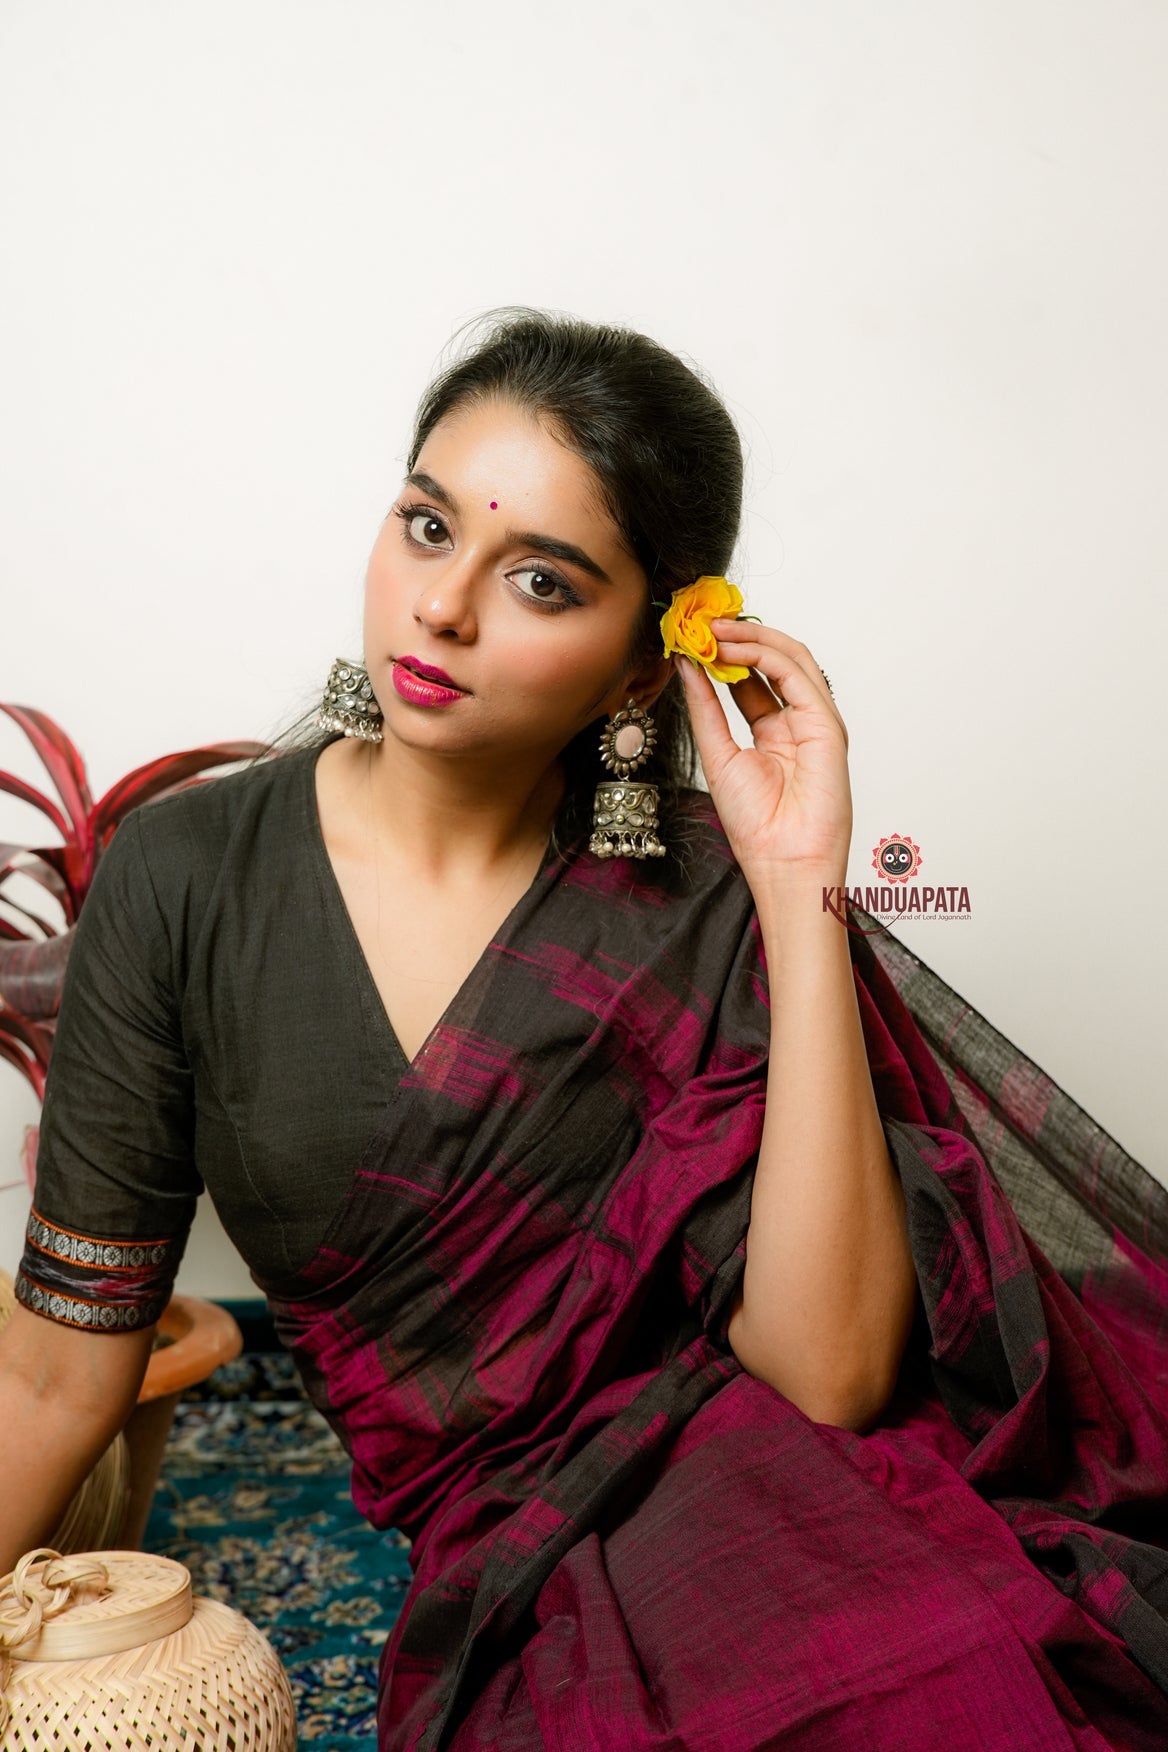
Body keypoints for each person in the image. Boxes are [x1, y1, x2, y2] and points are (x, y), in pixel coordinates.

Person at [2, 306, 1166, 1751]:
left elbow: (829, 1373)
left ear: (636, 667)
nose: (444, 608)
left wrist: (797, 888)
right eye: (428, 527)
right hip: (508, 1553)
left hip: (789, 1490)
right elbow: (57, 1371)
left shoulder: (696, 895)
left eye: (540, 580)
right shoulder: (188, 882)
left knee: (932, 1683)